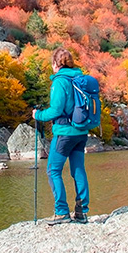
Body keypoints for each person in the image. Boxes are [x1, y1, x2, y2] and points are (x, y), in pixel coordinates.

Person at [32, 47, 91, 225]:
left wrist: (38, 115)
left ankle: (62, 212)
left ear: (55, 64)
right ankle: (81, 212)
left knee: (53, 170)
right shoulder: (80, 78)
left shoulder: (60, 81)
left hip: (64, 133)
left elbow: (56, 110)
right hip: (81, 132)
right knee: (78, 170)